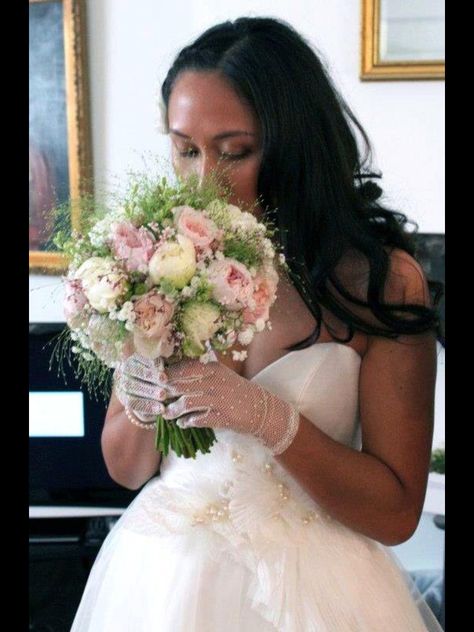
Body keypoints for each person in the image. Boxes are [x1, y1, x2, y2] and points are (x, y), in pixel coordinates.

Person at [71, 16, 445, 631]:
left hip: (317, 589)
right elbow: (127, 468)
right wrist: (140, 387)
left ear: (294, 143)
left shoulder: (376, 280)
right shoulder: (160, 257)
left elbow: (398, 512)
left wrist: (267, 418)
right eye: (185, 148)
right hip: (160, 580)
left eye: (234, 151)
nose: (203, 180)